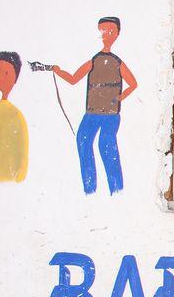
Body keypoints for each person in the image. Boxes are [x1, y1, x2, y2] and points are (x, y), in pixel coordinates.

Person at [54, 16, 137, 195]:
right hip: (91, 113)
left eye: (110, 31)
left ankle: (116, 189)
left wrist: (118, 99)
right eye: (103, 30)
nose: (106, 34)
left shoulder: (117, 62)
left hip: (110, 115)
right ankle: (89, 188)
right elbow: (74, 79)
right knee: (83, 141)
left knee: (106, 146)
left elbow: (133, 84)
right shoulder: (94, 60)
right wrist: (58, 71)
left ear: (117, 34)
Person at [0, 51, 28, 183]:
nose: (1, 77)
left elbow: (22, 146)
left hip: (8, 177)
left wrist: (20, 173)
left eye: (6, 73)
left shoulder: (16, 115)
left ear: (14, 80)